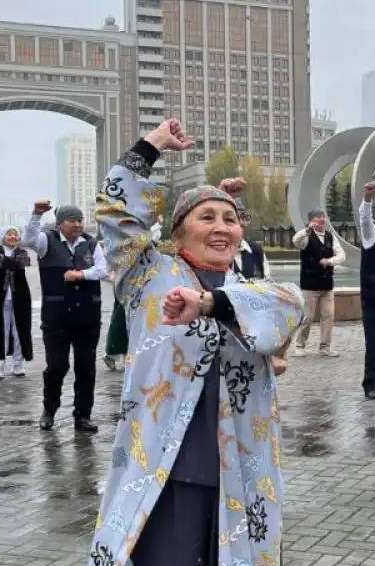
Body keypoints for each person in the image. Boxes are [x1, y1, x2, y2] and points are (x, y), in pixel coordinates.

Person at [89, 119, 303, 565]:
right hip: (169, 465)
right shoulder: (147, 275)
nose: (222, 227)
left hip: (240, 464)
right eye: (207, 217)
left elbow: (290, 307)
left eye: (230, 219)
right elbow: (113, 211)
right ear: (178, 231)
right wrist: (151, 145)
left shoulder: (247, 287)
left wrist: (209, 303)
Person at [21, 200, 107, 433]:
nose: (77, 224)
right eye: (72, 220)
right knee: (56, 367)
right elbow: (27, 240)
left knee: (86, 368)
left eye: (80, 220)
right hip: (56, 319)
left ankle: (83, 416)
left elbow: (103, 269)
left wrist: (81, 274)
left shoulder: (91, 244)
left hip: (87, 318)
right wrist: (36, 214)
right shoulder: (46, 241)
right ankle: (49, 410)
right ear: (60, 224)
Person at [0, 202, 33, 380]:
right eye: (9, 234)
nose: (13, 237)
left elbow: (17, 265)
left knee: (19, 331)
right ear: (2, 237)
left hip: (20, 298)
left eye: (15, 234)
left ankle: (18, 364)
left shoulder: (22, 253)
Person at [102, 220, 160, 373]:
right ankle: (115, 354)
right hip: (128, 284)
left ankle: (127, 354)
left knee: (133, 319)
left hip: (142, 283)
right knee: (121, 319)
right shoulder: (123, 241)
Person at [291, 208, 345, 357]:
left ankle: (325, 347)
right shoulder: (306, 237)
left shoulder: (330, 236)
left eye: (323, 217)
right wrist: (306, 231)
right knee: (307, 317)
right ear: (310, 221)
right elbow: (295, 240)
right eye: (317, 218)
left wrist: (329, 261)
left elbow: (342, 255)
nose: (321, 220)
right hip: (310, 285)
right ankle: (300, 345)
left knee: (328, 316)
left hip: (327, 285)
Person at [357, 180, 375, 400]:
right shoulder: (371, 234)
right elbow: (365, 218)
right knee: (374, 341)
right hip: (374, 298)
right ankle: (371, 384)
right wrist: (368, 199)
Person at [220, 177, 271, 280]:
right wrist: (220, 194)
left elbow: (267, 281)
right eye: (230, 220)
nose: (238, 223)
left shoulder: (255, 250)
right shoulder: (217, 251)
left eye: (242, 217)